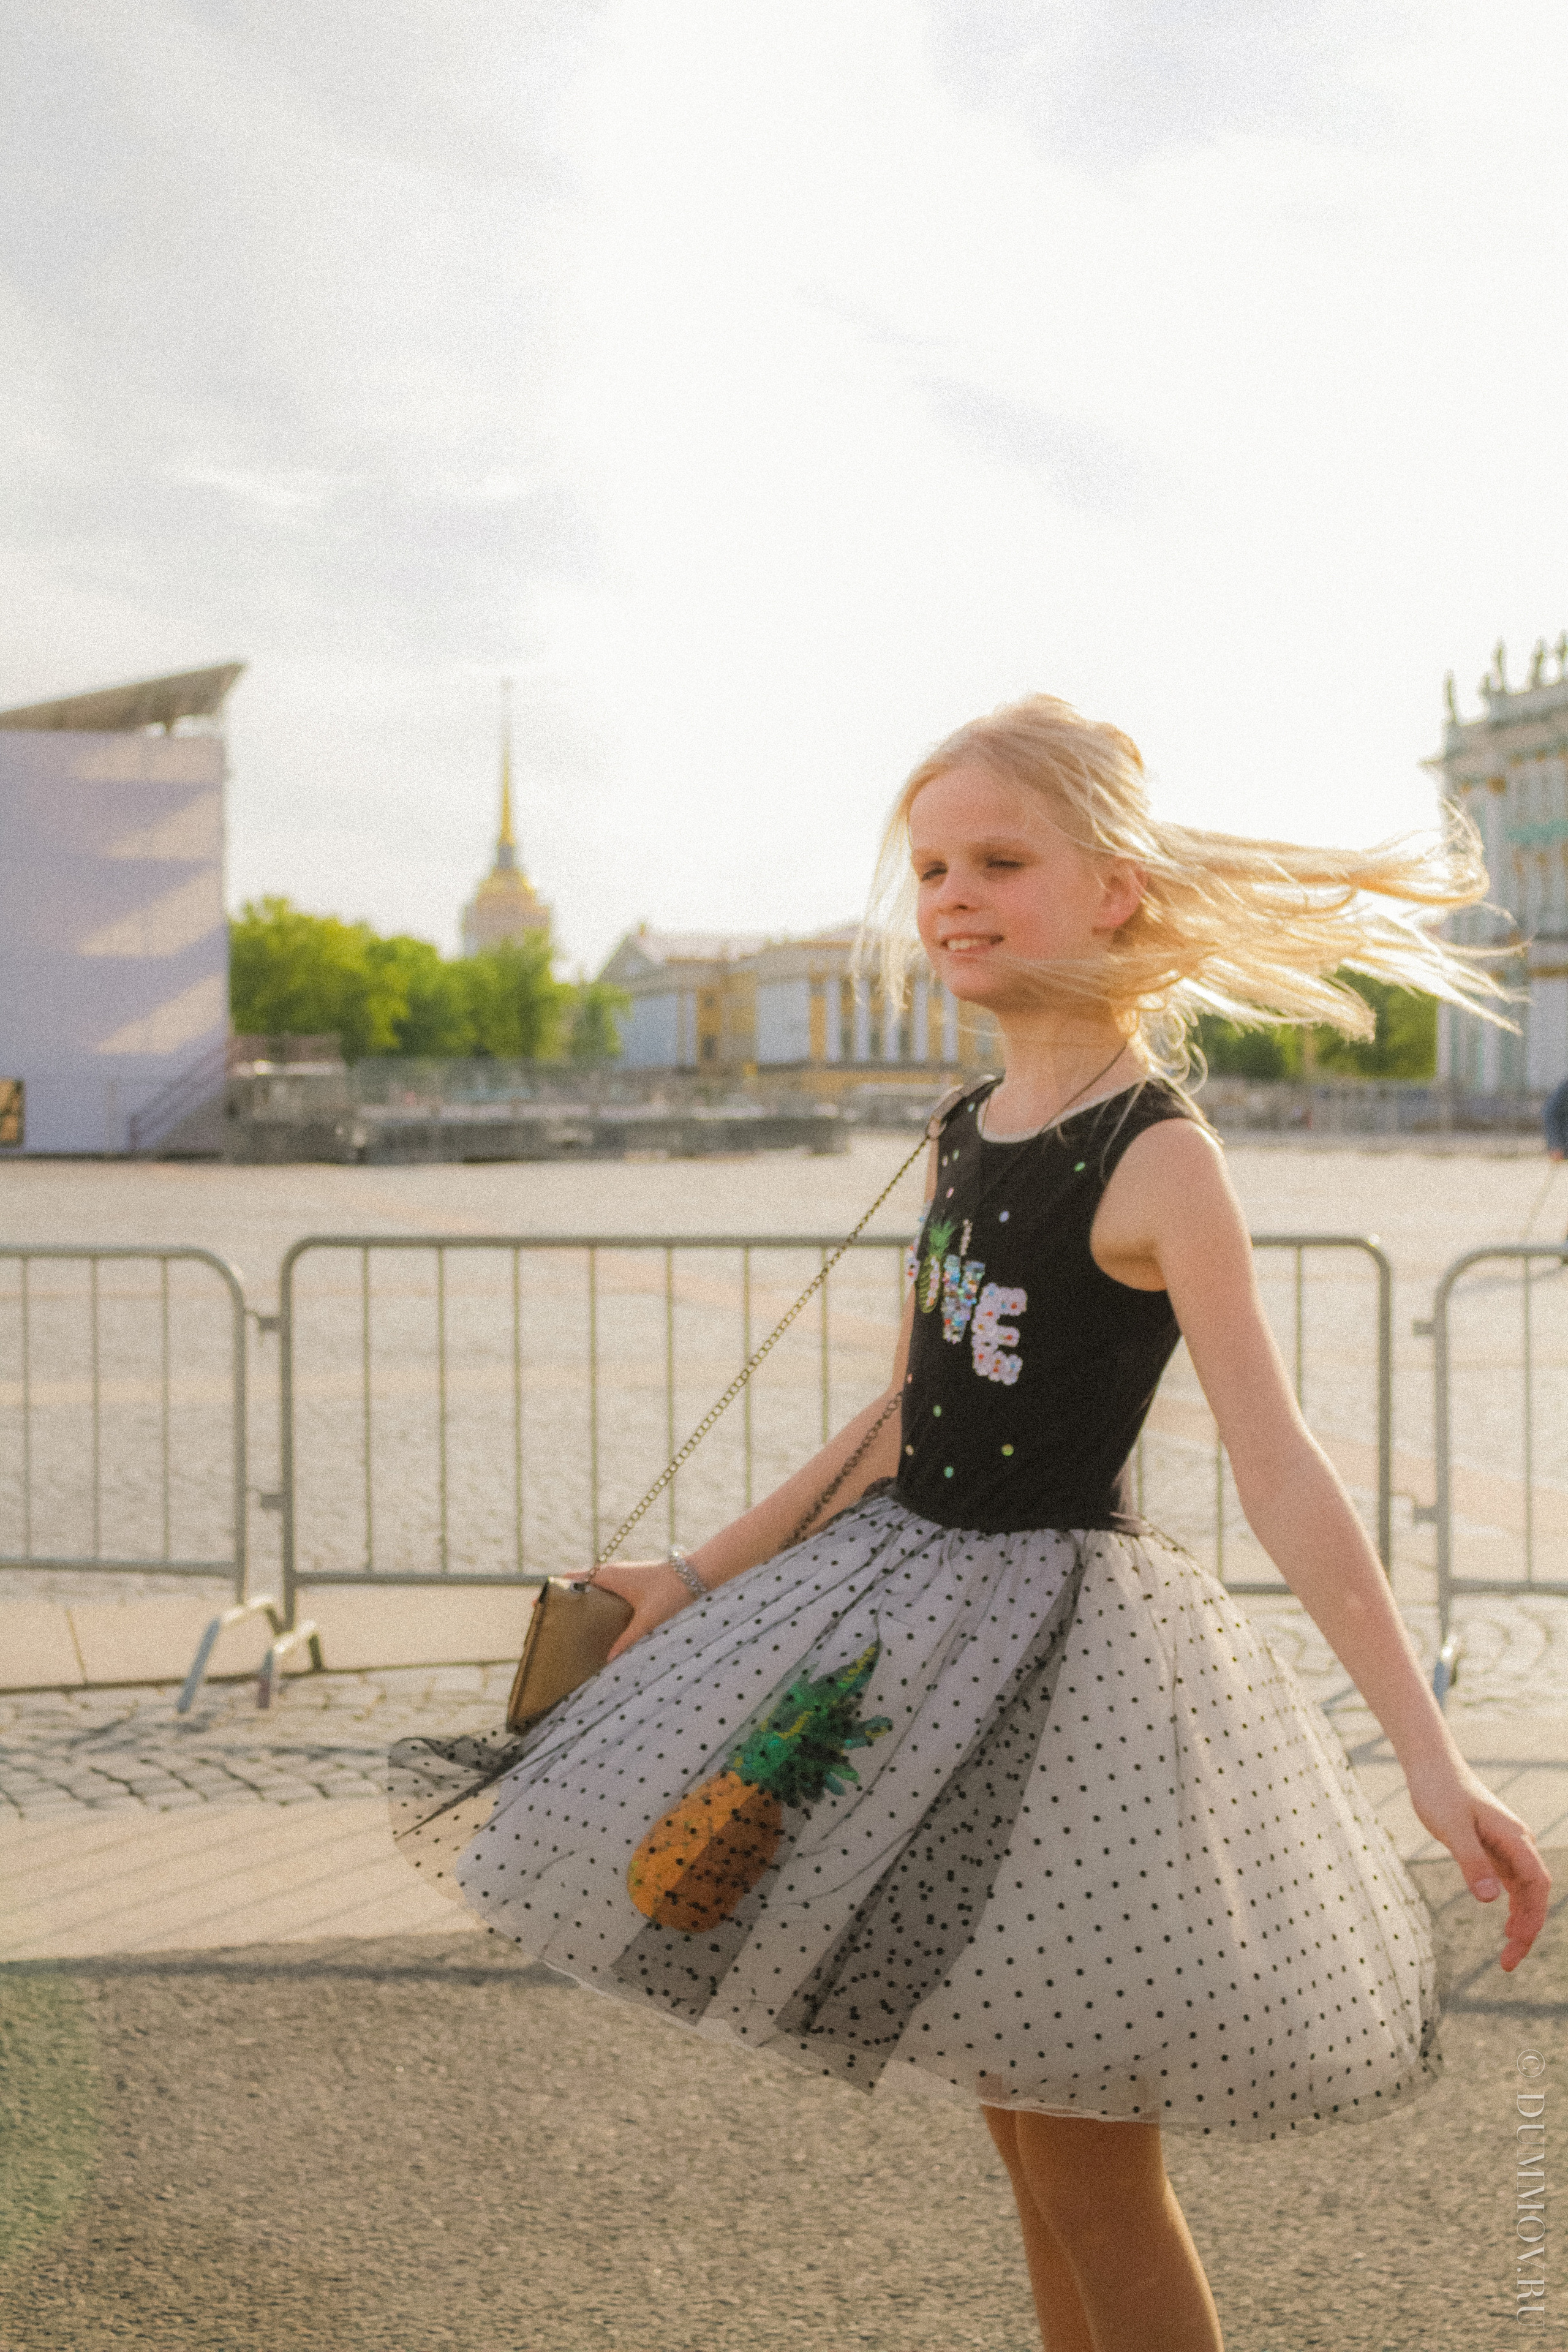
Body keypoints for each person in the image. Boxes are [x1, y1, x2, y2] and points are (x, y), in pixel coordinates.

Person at [392, 695, 1550, 2352]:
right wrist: (695, 1573)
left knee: (1094, 2181)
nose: (950, 894)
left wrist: (1433, 1761)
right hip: (917, 1659)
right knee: (1027, 2148)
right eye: (932, 865)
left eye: (1000, 859)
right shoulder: (962, 1133)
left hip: (1065, 1695)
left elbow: (1280, 1464)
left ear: (1117, 891)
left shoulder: (1158, 1162)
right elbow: (899, 1420)